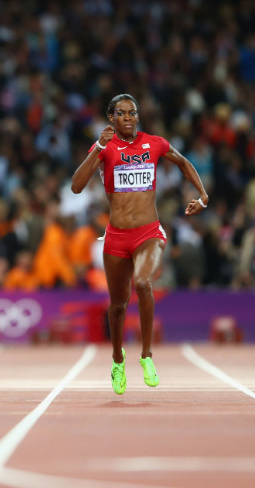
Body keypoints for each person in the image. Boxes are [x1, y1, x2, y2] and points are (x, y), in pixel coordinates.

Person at [70, 94, 208, 395]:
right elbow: (76, 186)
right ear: (111, 118)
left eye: (133, 113)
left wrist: (202, 195)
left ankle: (146, 356)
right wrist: (99, 147)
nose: (129, 118)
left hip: (149, 233)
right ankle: (118, 359)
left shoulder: (155, 143)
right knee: (118, 305)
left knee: (144, 283)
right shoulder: (105, 148)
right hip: (117, 237)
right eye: (122, 114)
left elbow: (184, 163)